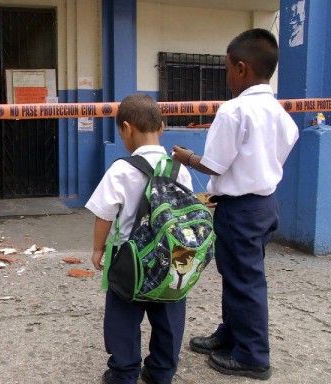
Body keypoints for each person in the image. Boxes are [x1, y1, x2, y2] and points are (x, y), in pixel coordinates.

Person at [172, 28, 299, 381]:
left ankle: (253, 356)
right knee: (238, 275)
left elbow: (214, 164)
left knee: (246, 281)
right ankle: (232, 333)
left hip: (241, 209)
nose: (227, 77)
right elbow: (283, 147)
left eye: (227, 69)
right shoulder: (279, 113)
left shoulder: (235, 111)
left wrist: (186, 157)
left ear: (241, 69)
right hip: (264, 204)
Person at [86, 94, 193, 384]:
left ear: (125, 128)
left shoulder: (121, 169)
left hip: (128, 258)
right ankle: (161, 371)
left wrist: (98, 249)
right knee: (169, 315)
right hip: (172, 257)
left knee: (122, 318)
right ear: (161, 128)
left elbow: (104, 215)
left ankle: (123, 372)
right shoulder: (179, 169)